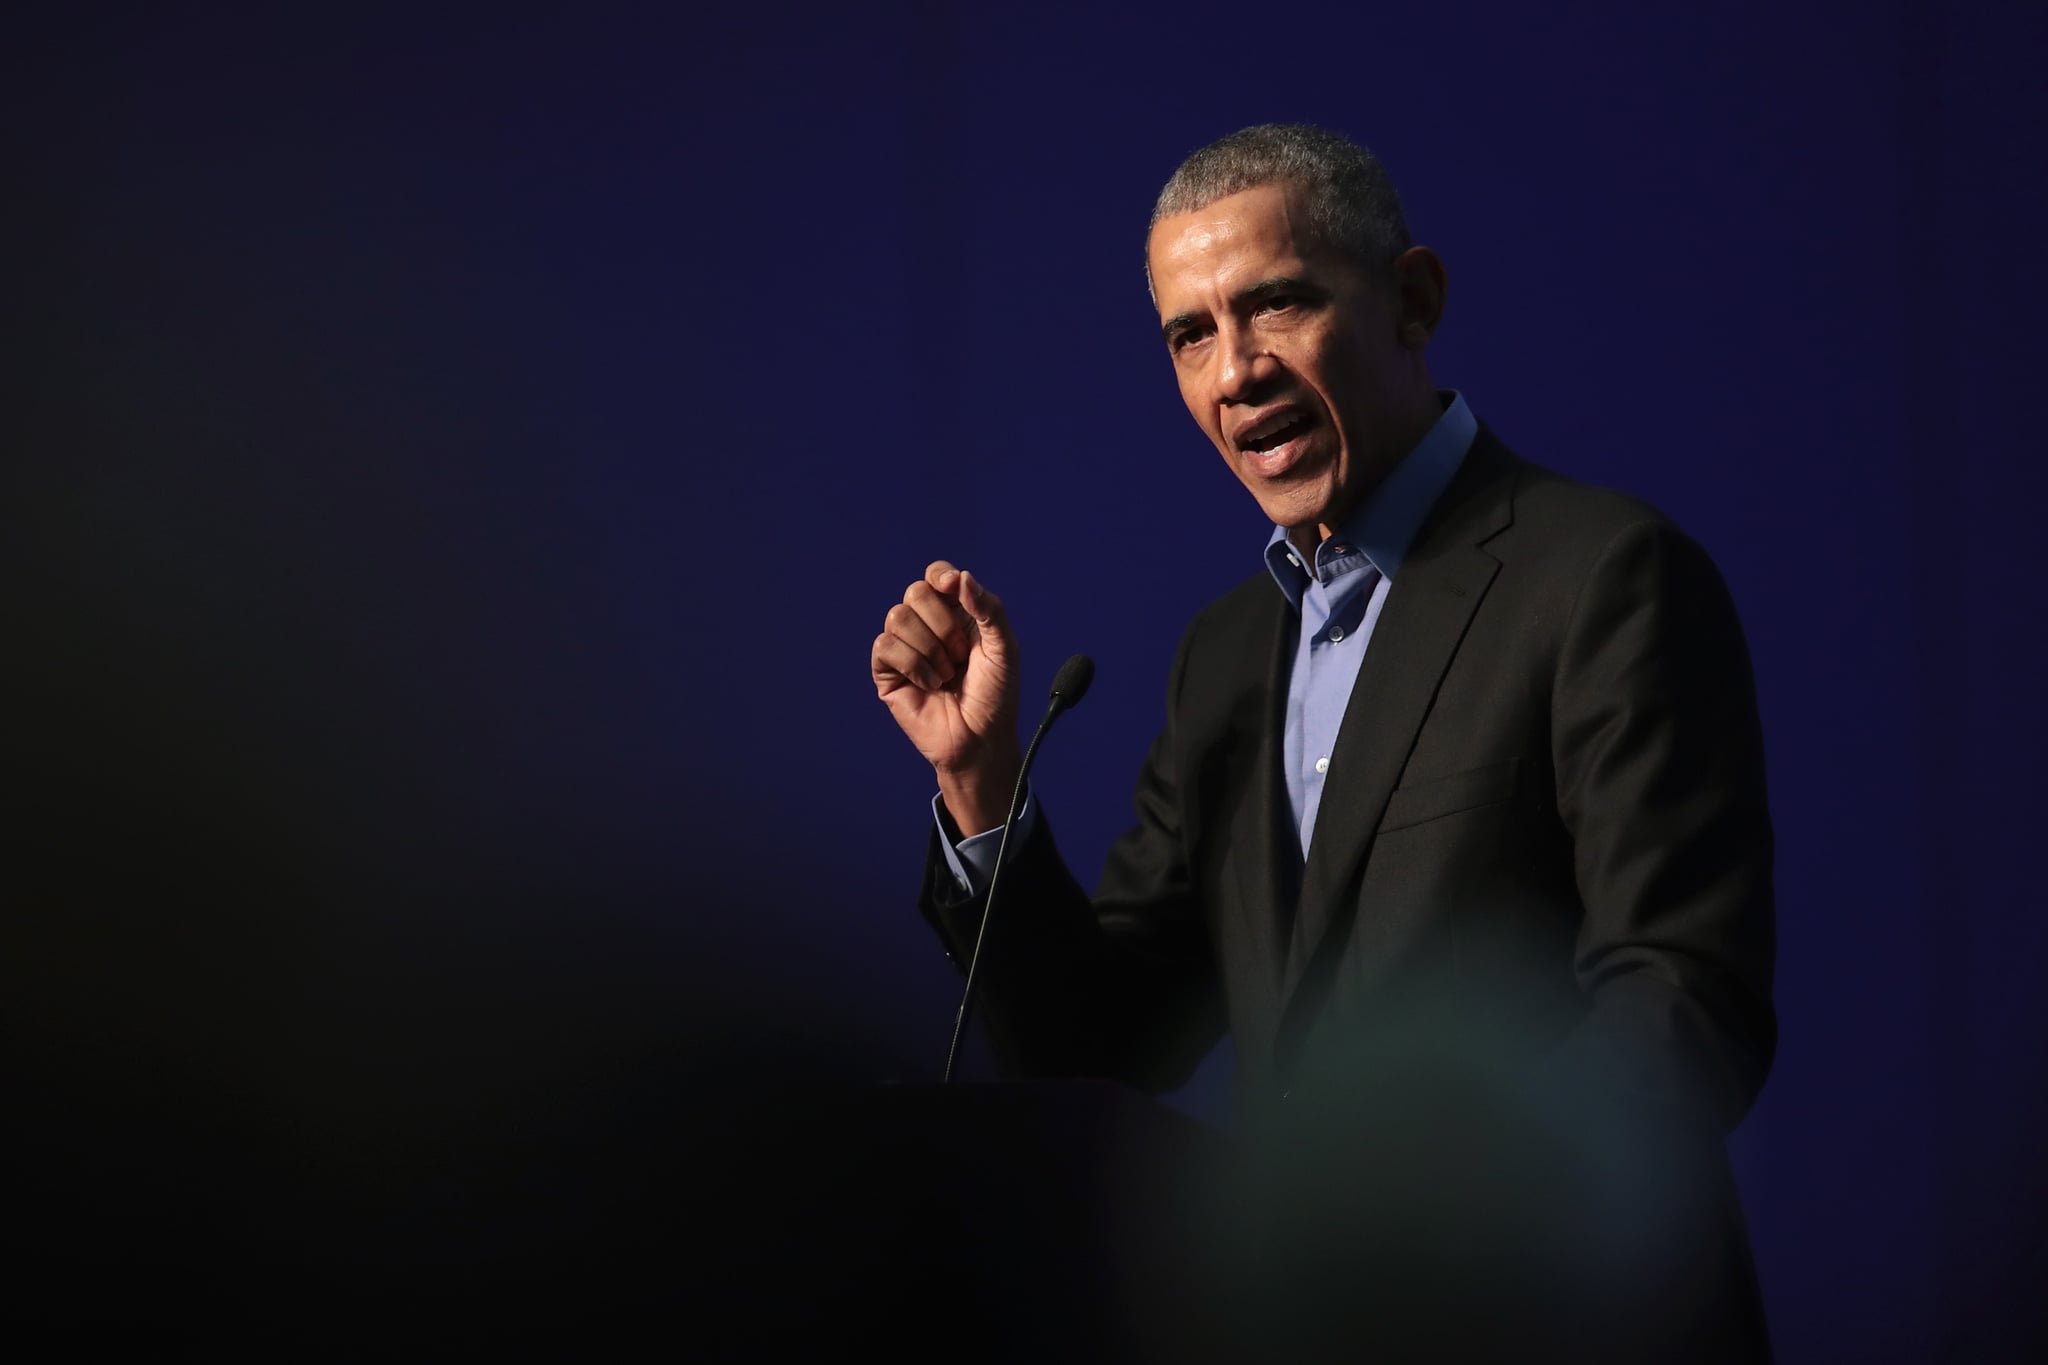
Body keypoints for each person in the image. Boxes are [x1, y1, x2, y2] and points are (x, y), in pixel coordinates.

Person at [870, 124, 1776, 1362]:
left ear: (1412, 300)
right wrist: (976, 786)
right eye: (1189, 335)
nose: (1232, 370)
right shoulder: (1225, 653)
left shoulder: (1598, 576)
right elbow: (1105, 1039)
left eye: (1276, 305)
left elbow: (1682, 1008)